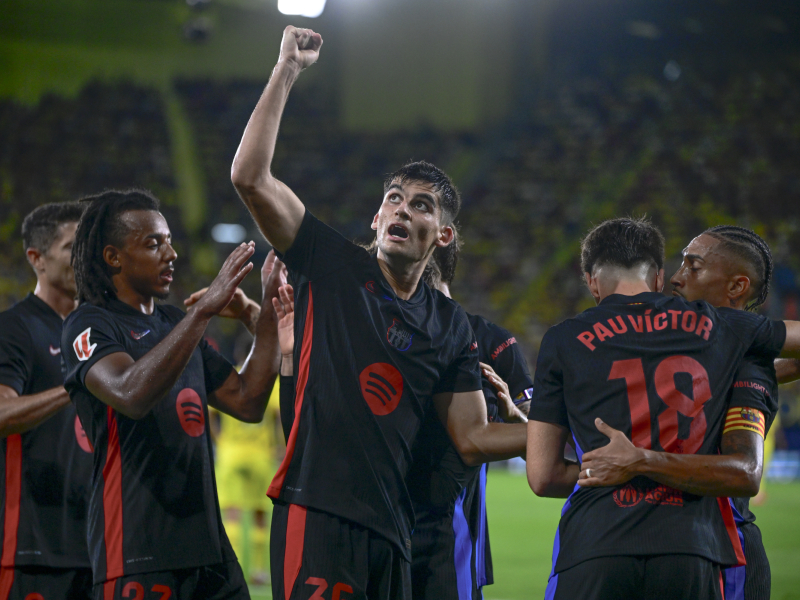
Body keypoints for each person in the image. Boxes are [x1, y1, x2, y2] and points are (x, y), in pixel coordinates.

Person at [231, 26, 527, 600]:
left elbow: (470, 438)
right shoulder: (333, 265)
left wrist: (543, 432)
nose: (401, 208)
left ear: (441, 234)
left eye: (420, 205)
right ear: (375, 217)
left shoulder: (451, 327)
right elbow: (249, 177)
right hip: (316, 513)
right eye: (393, 197)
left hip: (394, 533)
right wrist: (287, 68)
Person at [526, 217, 800, 600]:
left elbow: (542, 475)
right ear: (654, 277)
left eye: (693, 265)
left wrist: (635, 461)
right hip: (697, 545)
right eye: (678, 263)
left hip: (706, 540)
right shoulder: (727, 337)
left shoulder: (743, 352)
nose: (676, 277)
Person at [61, 189, 282, 600]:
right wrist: (202, 312)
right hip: (136, 554)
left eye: (168, 240)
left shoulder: (174, 322)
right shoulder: (88, 323)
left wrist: (267, 310)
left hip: (210, 554)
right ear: (113, 257)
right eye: (153, 244)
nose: (171, 253)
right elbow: (130, 393)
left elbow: (247, 400)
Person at [409, 236, 533, 600]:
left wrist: (513, 417)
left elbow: (539, 445)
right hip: (383, 536)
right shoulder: (386, 333)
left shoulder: (493, 342)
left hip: (452, 544)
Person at [0, 201, 93, 600]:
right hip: (33, 548)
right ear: (36, 258)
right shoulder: (15, 328)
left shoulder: (97, 329)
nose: (83, 258)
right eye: (72, 247)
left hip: (99, 547)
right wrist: (73, 385)